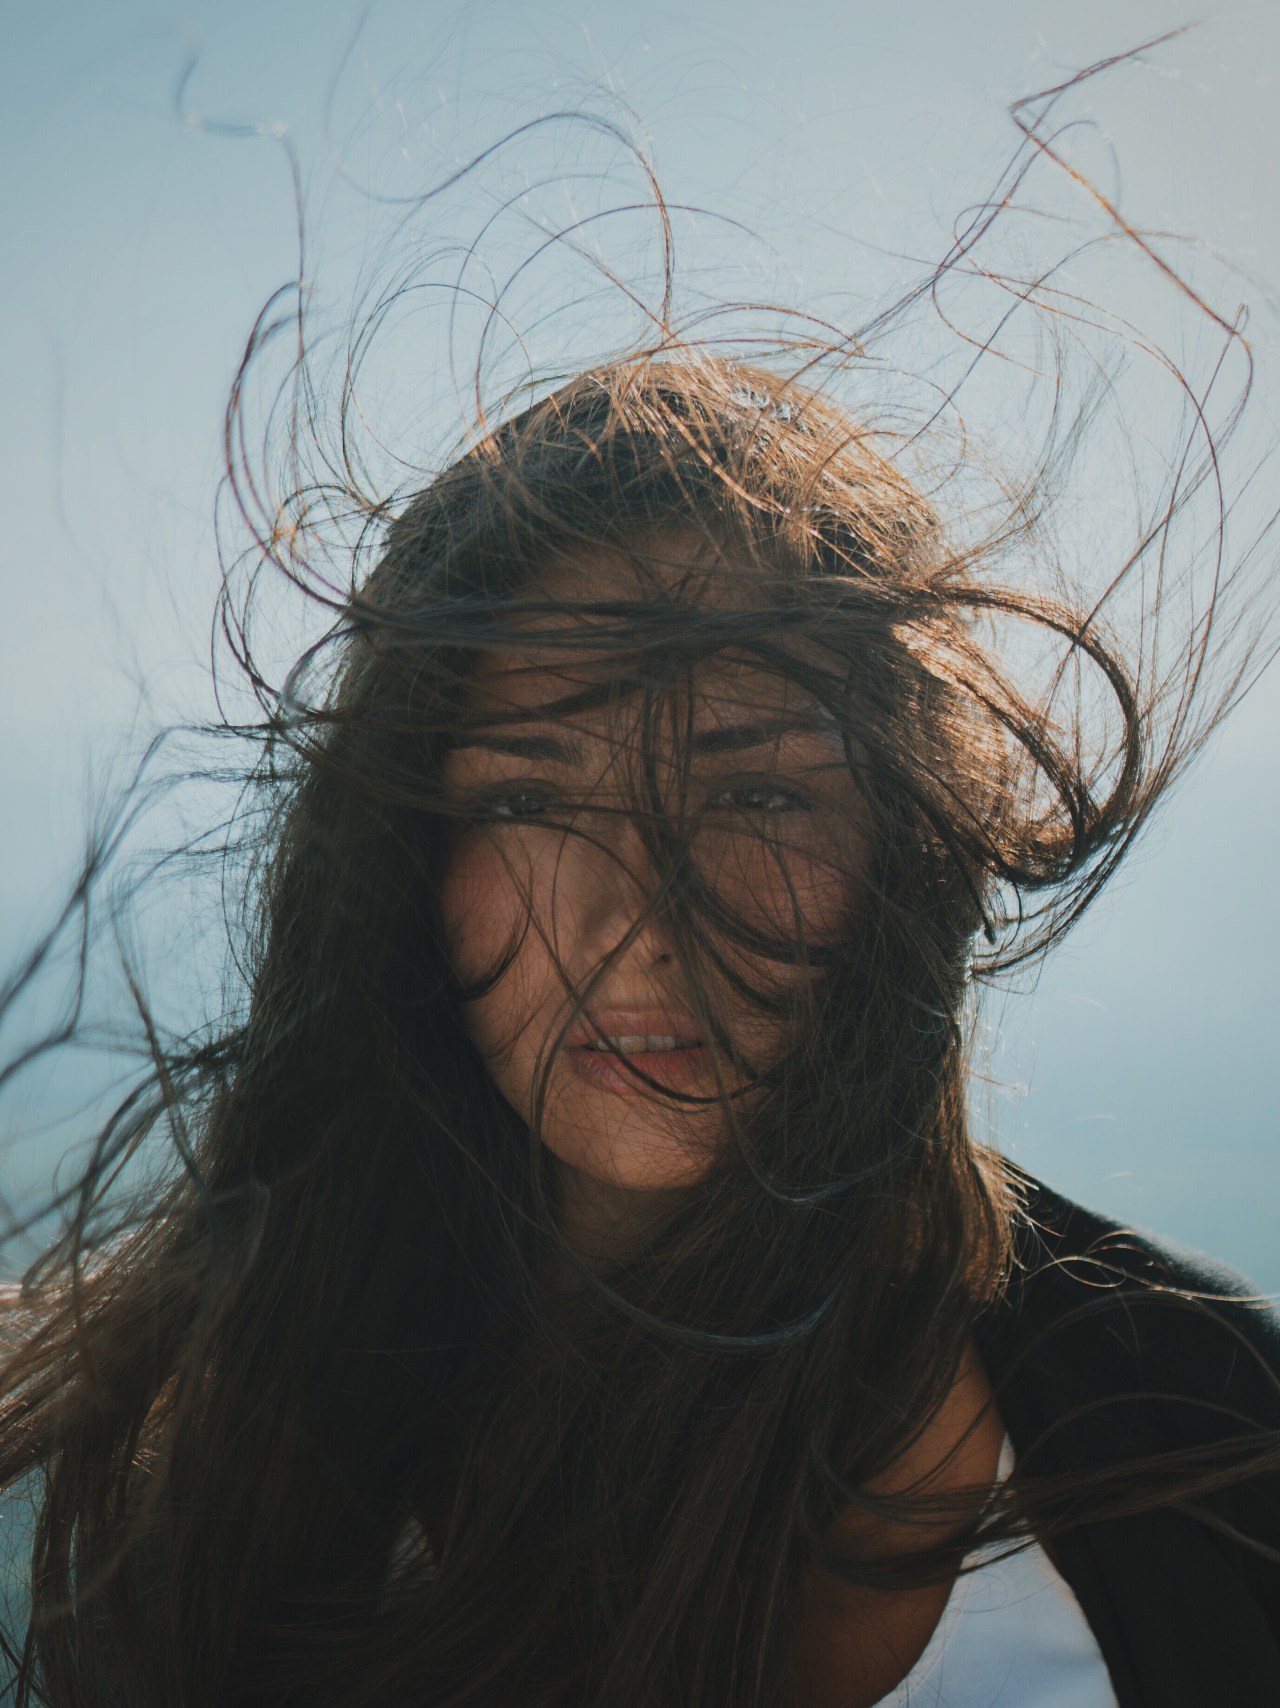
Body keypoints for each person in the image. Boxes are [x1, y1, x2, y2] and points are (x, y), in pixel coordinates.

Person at [1, 102, 1278, 1705]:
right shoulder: (250, 1458)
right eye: (533, 802)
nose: (636, 926)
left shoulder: (1210, 1424)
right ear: (407, 866)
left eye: (752, 797)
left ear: (905, 846)